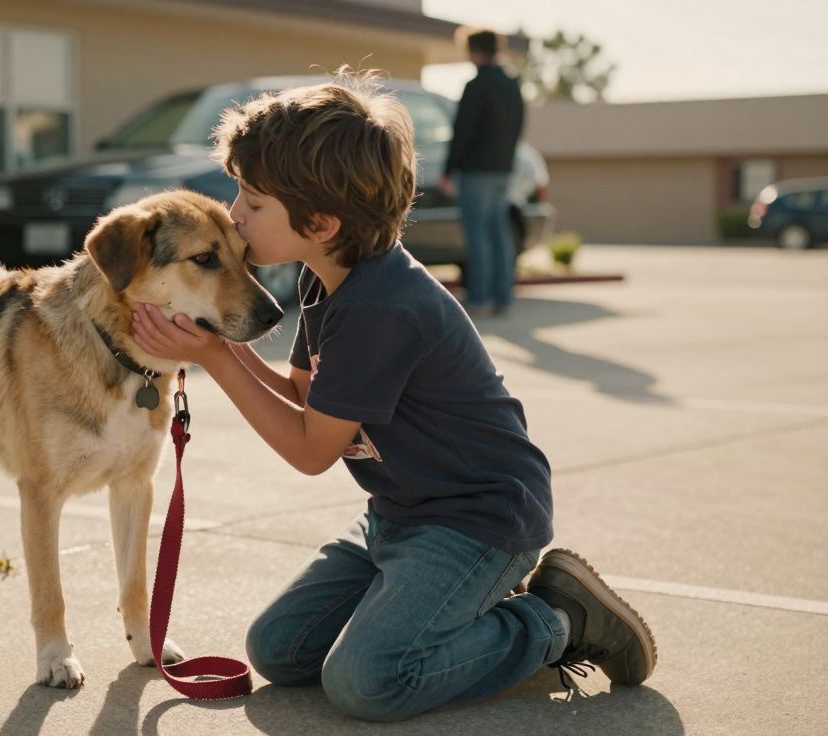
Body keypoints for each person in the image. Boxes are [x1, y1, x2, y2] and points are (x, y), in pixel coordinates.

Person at [129, 70, 655, 722]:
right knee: (279, 650)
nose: (234, 213)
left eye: (254, 202)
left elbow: (309, 450)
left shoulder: (380, 307)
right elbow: (302, 396)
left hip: (477, 521)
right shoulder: (327, 279)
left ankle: (556, 621)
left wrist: (212, 355)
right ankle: (432, 603)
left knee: (367, 683)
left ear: (320, 222)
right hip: (400, 512)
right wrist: (219, 341)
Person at [440, 28, 526, 317]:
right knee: (498, 233)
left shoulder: (476, 86)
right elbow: (518, 128)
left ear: (475, 51)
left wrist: (449, 170)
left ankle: (479, 298)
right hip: (502, 170)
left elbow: (462, 132)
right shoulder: (512, 84)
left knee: (477, 236)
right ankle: (503, 296)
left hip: (476, 171)